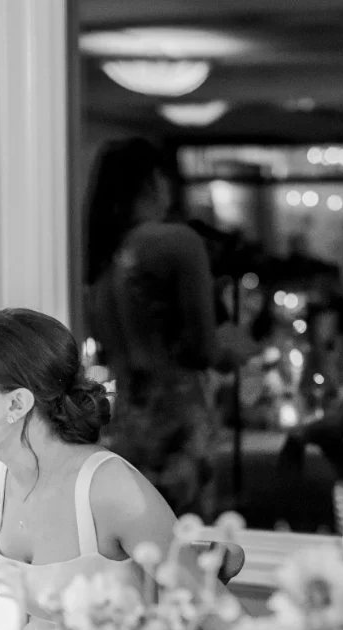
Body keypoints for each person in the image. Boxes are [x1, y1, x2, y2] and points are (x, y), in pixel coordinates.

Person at [0, 308, 221, 630]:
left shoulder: (112, 489)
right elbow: (31, 512)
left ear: (16, 405)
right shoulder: (14, 473)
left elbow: (222, 620)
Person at [85, 138, 253, 519]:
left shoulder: (102, 255)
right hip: (176, 418)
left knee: (133, 537)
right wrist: (240, 348)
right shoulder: (176, 241)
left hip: (123, 419)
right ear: (153, 181)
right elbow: (204, 350)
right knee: (183, 540)